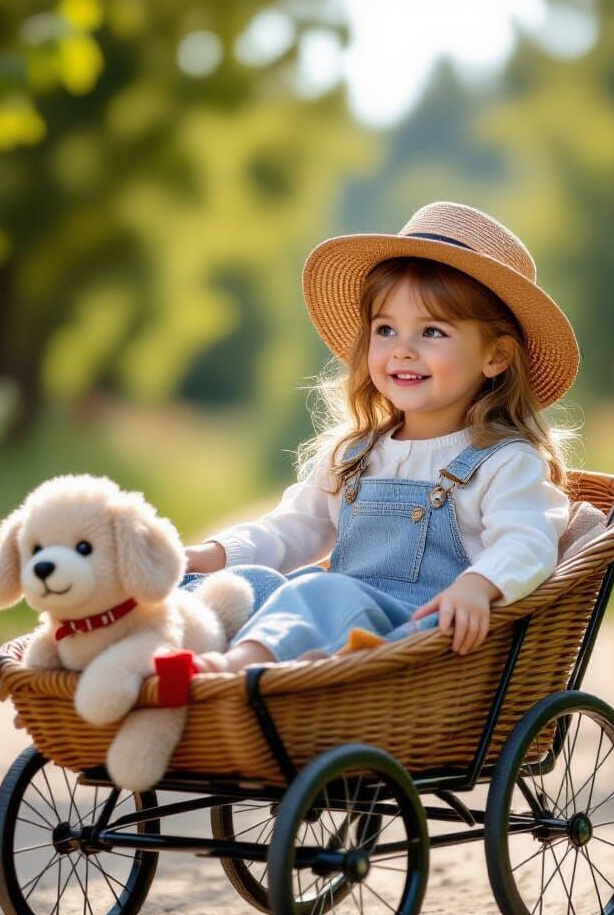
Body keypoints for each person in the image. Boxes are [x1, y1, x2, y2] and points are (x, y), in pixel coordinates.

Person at [179, 202, 580, 674]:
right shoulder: (355, 453)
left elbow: (528, 541)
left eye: (432, 331)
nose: (402, 350)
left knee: (320, 591)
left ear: (495, 355)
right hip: (340, 625)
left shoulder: (505, 462)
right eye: (385, 329)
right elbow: (290, 529)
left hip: (415, 644)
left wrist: (479, 584)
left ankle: (228, 672)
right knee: (250, 584)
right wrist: (212, 555)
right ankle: (162, 647)